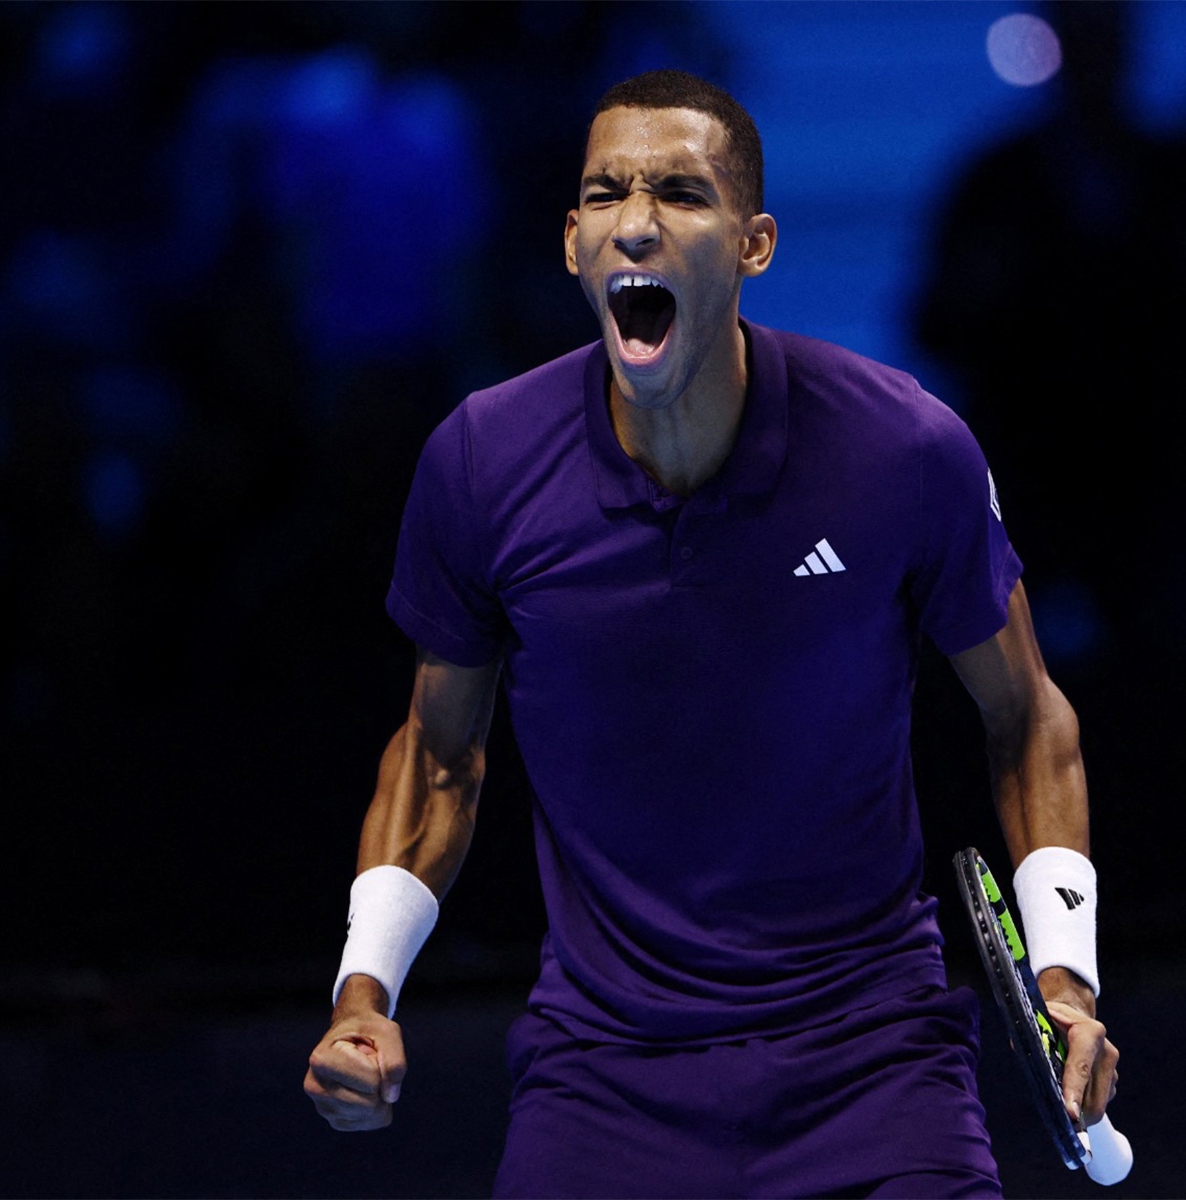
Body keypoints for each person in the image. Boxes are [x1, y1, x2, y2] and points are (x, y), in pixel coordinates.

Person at [303, 69, 1118, 1197]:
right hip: (601, 1080)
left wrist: (1064, 980)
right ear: (574, 245)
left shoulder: (902, 451)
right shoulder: (481, 465)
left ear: (754, 245)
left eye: (682, 193)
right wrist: (362, 997)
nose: (636, 219)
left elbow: (1027, 715)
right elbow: (439, 756)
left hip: (874, 1070)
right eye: (605, 194)